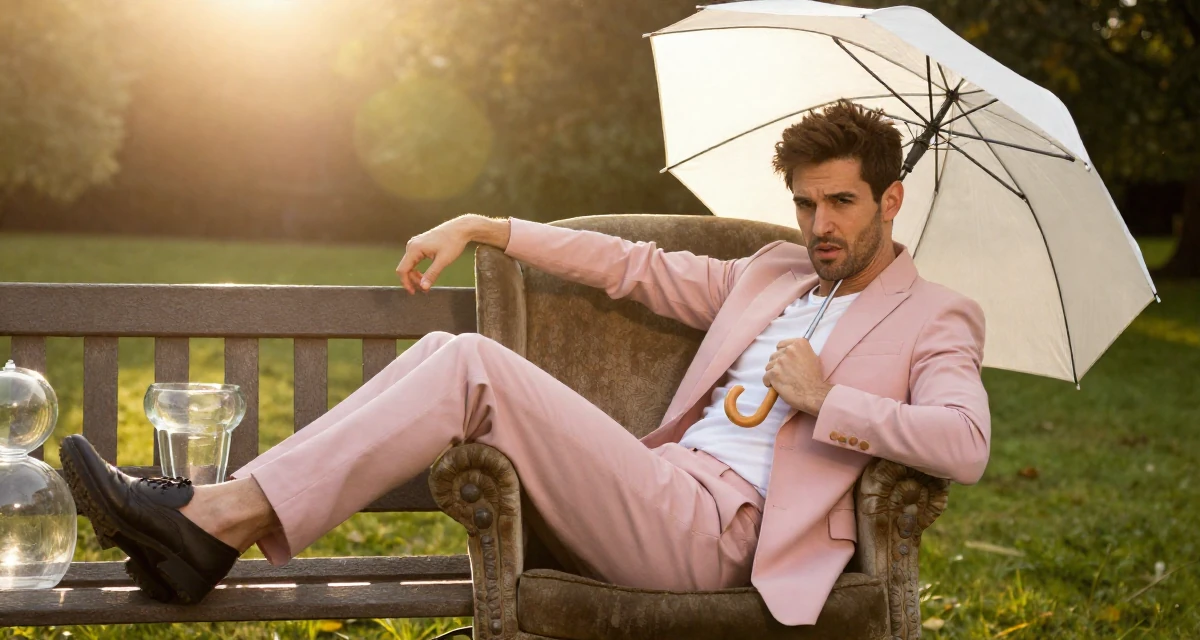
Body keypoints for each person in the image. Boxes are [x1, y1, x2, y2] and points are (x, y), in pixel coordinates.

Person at [59, 100, 990, 627]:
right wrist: (487, 227)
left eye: (840, 204)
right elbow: (639, 268)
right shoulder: (777, 272)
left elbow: (965, 442)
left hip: (728, 537)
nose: (819, 227)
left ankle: (206, 521)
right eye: (803, 204)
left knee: (471, 364)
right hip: (661, 484)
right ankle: (206, 531)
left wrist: (828, 401)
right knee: (445, 352)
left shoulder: (936, 316)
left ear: (890, 199)